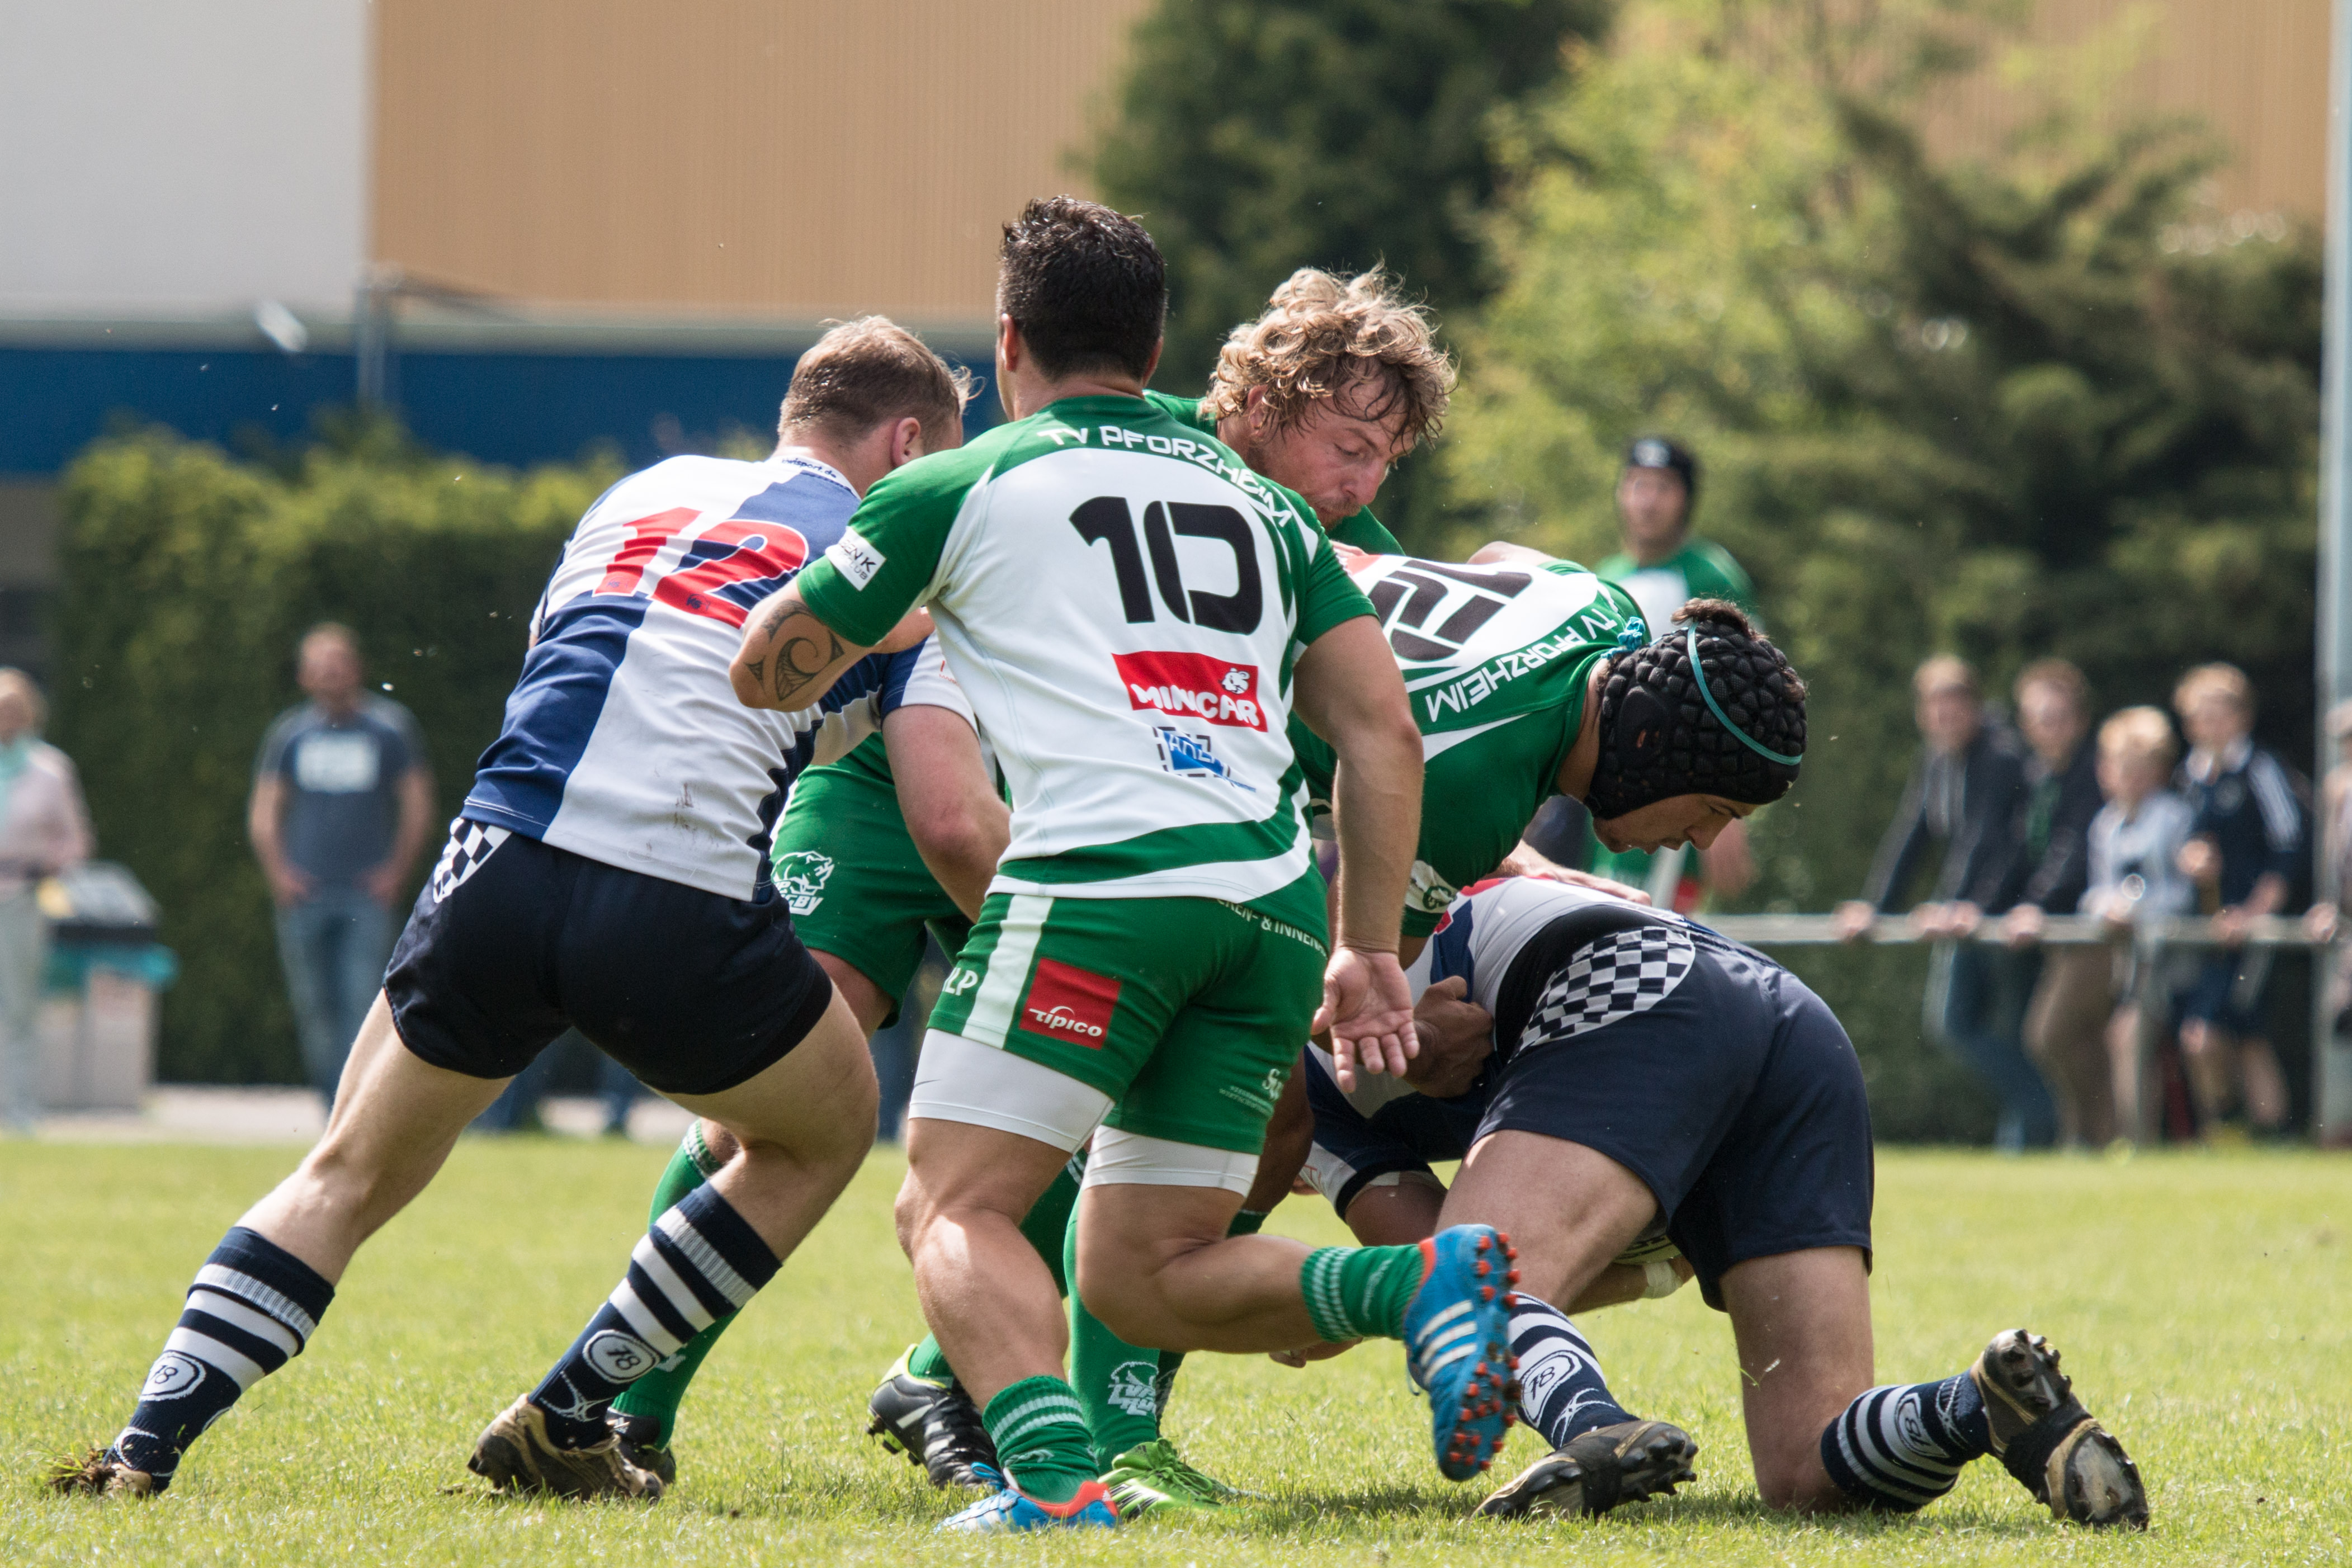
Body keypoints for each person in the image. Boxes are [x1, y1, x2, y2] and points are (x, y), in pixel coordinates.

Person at [51, 316, 965, 1501]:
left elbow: (570, 662)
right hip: (672, 884)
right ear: (905, 443)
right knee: (825, 1131)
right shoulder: (893, 564)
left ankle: (142, 1447)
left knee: (346, 1167)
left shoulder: (645, 489)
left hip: (500, 855)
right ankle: (571, 1410)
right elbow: (932, 801)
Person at [730, 196, 1537, 1534]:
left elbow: (769, 665)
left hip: (1101, 882)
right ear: (1156, 351)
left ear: (1006, 342)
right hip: (1270, 910)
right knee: (1142, 1271)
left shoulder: (963, 481)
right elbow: (1383, 733)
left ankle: (1052, 1484)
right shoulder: (1273, 514)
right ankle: (1415, 1283)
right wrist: (1366, 949)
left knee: (949, 1202)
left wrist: (862, 625)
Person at [1291, 865, 2148, 1531]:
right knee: (1806, 1471)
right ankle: (1976, 1409)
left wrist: (1296, 1305)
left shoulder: (1312, 1043)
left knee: (1466, 1295)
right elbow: (1424, 1271)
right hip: (1790, 1028)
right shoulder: (1332, 1009)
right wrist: (1652, 1267)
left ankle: (1593, 1426)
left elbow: (1450, 1282)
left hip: (1645, 995)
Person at [1834, 657, 2055, 1150]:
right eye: (1935, 707)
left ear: (1976, 707)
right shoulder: (1935, 760)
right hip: (1975, 918)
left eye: (1954, 706)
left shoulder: (2000, 755)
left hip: (2008, 918)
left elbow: (1993, 841)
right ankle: (2034, 1130)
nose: (1944, 717)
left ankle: (2042, 1125)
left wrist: (1961, 904)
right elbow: (1911, 836)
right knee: (1960, 1028)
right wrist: (1875, 907)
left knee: (1993, 1029)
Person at [249, 625, 434, 1106]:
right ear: (304, 676)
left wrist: (396, 872)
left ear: (357, 668)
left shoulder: (389, 729)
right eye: (320, 665)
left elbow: (417, 805)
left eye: (338, 663)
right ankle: (331, 1107)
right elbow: (265, 811)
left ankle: (358, 1107)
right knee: (315, 1012)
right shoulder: (291, 734)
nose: (330, 674)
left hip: (364, 896)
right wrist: (280, 875)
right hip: (306, 895)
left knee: (362, 1005)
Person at [1591, 436, 1760, 909]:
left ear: (1685, 498)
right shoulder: (1605, 577)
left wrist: (1727, 796)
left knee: (1659, 933)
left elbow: (1747, 692)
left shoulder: (1710, 576)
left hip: (1679, 806)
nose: (1648, 500)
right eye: (1638, 485)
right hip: (1604, 797)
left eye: (1663, 488)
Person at [2026, 707, 2198, 1145]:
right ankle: (2094, 1132)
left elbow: (2184, 893)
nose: (2129, 777)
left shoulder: (2176, 818)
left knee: (2132, 1038)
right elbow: (2098, 888)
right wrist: (2108, 907)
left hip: (2161, 953)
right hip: (2112, 947)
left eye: (2141, 768)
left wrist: (2139, 911)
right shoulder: (2104, 824)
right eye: (2122, 767)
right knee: (2055, 1033)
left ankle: (2137, 1141)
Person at [2171, 663, 2305, 1138]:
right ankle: (2255, 1132)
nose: (2210, 725)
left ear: (2243, 716)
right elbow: (2179, 845)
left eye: (2220, 713)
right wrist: (2188, 861)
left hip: (2250, 929)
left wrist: (2253, 913)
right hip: (2208, 931)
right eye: (2200, 716)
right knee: (2244, 1036)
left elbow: (2289, 846)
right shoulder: (2189, 778)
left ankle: (2244, 1130)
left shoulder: (2260, 769)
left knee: (2215, 1034)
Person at [1991, 662, 2106, 1146]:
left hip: (2094, 932)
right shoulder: (2037, 775)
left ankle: (2099, 1134)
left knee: (2049, 1035)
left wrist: (2035, 905)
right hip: (2059, 936)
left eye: (2059, 717)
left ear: (2080, 720)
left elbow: (2073, 851)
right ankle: (2086, 1139)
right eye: (2039, 718)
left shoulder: (2094, 774)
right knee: (2068, 1040)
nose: (2049, 728)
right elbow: (2015, 853)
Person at [0, 670, 93, 1135]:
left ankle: (20, 1108)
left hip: (21, 894)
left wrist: (47, 867)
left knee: (18, 1005)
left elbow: (76, 842)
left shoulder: (50, 770)